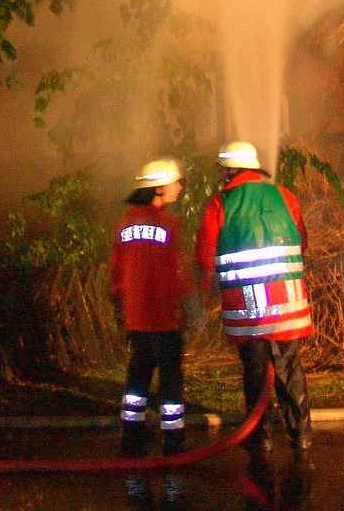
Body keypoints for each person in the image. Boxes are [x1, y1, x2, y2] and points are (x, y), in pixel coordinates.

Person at [195, 140, 314, 467]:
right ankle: (301, 434)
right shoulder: (284, 196)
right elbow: (301, 241)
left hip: (246, 309)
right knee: (290, 367)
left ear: (231, 169)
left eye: (222, 168)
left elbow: (204, 256)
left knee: (255, 370)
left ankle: (259, 437)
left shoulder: (220, 204)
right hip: (286, 306)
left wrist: (204, 295)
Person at [111, 157, 200, 458]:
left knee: (137, 376)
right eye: (175, 182)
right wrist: (192, 305)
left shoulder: (125, 223)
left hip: (137, 319)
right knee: (171, 380)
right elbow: (178, 273)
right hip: (165, 318)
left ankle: (131, 433)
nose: (179, 187)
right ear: (159, 188)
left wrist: (122, 307)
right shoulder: (167, 224)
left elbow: (116, 273)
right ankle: (173, 439)